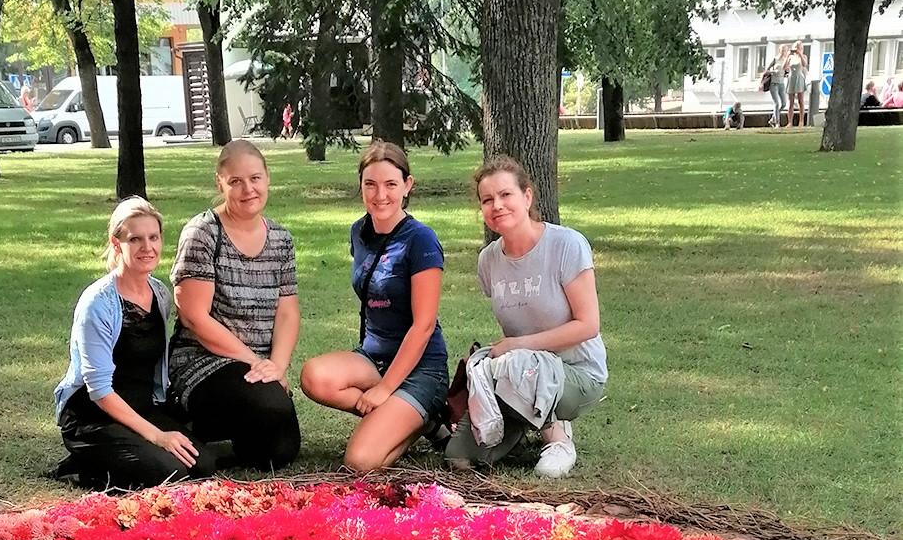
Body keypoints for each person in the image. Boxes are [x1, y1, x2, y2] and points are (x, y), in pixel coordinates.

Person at [445, 157, 607, 480]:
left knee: (519, 363)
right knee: (459, 457)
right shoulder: (488, 261)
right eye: (487, 200)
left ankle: (557, 436)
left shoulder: (566, 245)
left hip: (575, 374)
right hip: (520, 373)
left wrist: (518, 346)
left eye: (506, 195)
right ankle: (519, 421)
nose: (497, 205)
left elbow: (588, 325)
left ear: (528, 197)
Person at [300, 141, 449, 473]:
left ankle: (416, 414)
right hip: (372, 358)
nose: (380, 195)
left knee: (361, 462)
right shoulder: (359, 231)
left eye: (391, 184)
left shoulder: (421, 239)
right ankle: (415, 421)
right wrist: (378, 386)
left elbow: (423, 326)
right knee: (314, 376)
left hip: (420, 368)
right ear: (361, 186)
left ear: (407, 186)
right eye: (371, 184)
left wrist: (385, 389)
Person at [51, 197, 215, 490]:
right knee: (170, 472)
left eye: (153, 237)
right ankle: (89, 462)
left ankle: (117, 456)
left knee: (202, 464)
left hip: (140, 409)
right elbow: (99, 391)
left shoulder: (160, 294)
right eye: (135, 239)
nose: (147, 247)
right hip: (94, 415)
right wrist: (157, 436)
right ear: (117, 245)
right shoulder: (97, 304)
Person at [169, 140, 302, 470]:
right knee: (270, 406)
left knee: (282, 451)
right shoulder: (203, 233)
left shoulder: (281, 239)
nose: (248, 189)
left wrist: (277, 366)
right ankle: (189, 425)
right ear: (220, 183)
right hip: (204, 360)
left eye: (255, 179)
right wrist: (255, 362)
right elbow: (194, 317)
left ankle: (217, 440)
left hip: (258, 367)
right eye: (235, 182)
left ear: (267, 178)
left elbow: (288, 310)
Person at [786, 41, 808, 129]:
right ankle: (790, 122)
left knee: (800, 101)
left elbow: (804, 64)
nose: (796, 49)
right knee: (791, 101)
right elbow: (785, 67)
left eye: (798, 47)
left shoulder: (804, 56)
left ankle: (801, 121)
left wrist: (800, 54)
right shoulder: (791, 57)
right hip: (791, 77)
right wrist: (787, 56)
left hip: (799, 77)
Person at [768, 45, 789, 127]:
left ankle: (773, 118)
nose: (784, 52)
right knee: (777, 103)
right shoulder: (775, 59)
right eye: (783, 50)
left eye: (786, 50)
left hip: (781, 84)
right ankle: (777, 123)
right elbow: (767, 70)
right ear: (779, 50)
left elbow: (787, 71)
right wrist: (773, 71)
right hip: (773, 84)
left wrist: (787, 72)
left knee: (783, 104)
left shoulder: (786, 60)